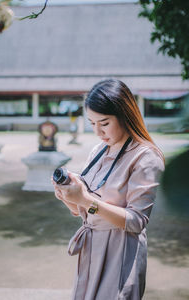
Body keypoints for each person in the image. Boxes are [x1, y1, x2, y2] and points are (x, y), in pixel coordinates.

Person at [52, 79, 165, 300]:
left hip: (120, 250)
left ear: (125, 114)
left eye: (104, 123)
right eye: (92, 123)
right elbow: (82, 211)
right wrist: (68, 197)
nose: (98, 132)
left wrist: (85, 200)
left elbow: (137, 221)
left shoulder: (145, 156)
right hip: (91, 248)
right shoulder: (99, 150)